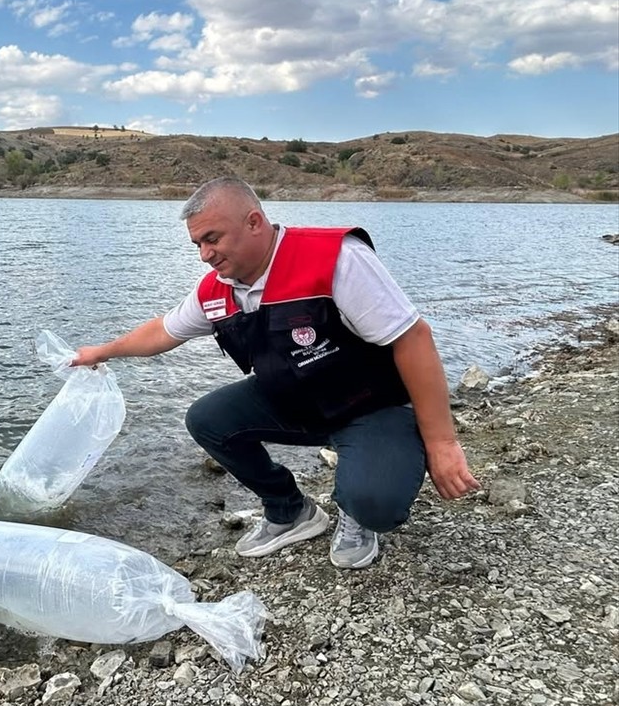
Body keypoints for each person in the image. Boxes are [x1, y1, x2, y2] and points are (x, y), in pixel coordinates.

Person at [71, 176, 479, 569]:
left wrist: (442, 442)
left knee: (375, 504)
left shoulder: (335, 259)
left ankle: (356, 511)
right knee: (207, 419)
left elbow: (413, 339)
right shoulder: (217, 289)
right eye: (197, 244)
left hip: (372, 407)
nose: (204, 255)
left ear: (254, 222)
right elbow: (163, 330)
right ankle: (291, 510)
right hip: (299, 401)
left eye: (212, 239)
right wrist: (102, 352)